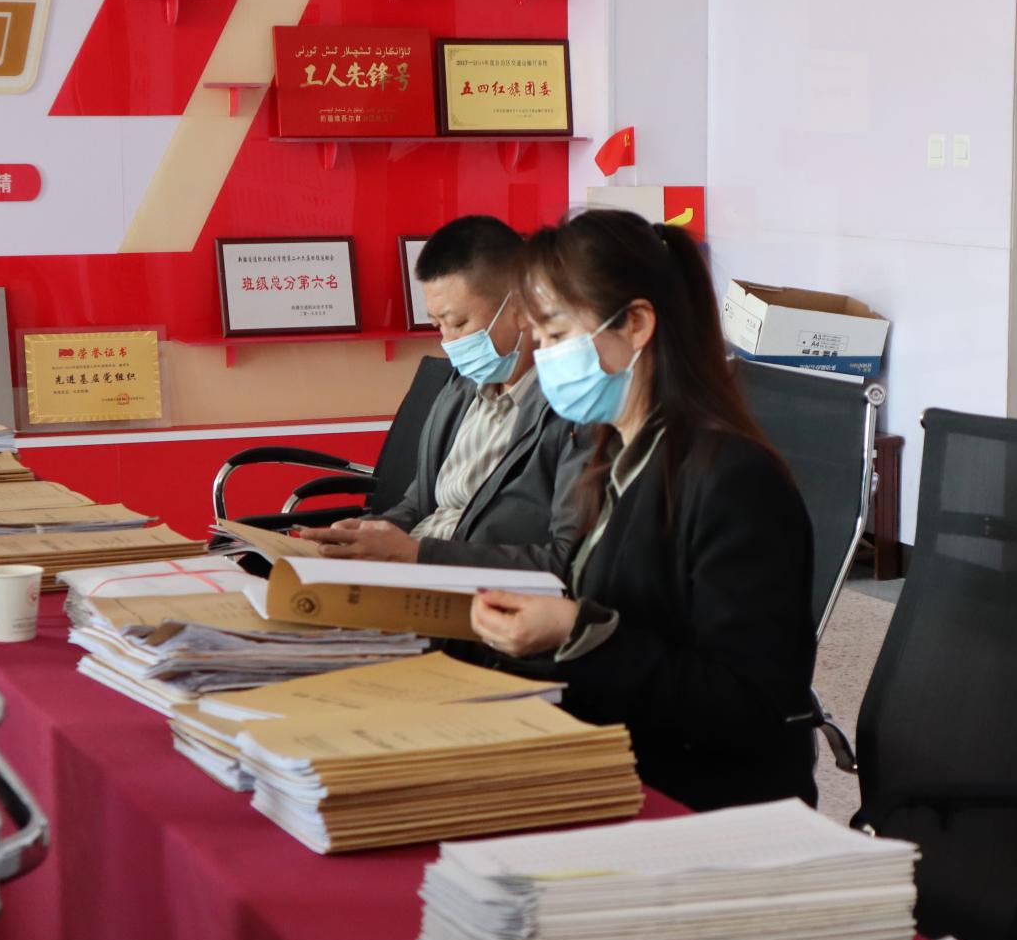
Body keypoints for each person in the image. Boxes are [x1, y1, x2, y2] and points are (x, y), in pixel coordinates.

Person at [470, 209, 819, 810]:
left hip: (699, 800)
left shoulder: (734, 480)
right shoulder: (612, 457)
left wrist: (577, 631)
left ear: (635, 323)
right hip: (616, 759)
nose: (543, 357)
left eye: (556, 335)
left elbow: (745, 703)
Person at [300, 215, 587, 576]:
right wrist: (367, 535)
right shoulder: (458, 390)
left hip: (473, 591)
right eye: (438, 325)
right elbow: (419, 504)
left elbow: (566, 561)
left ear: (520, 306)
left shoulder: (572, 411)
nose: (449, 343)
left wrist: (417, 555)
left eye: (459, 323)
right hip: (408, 574)